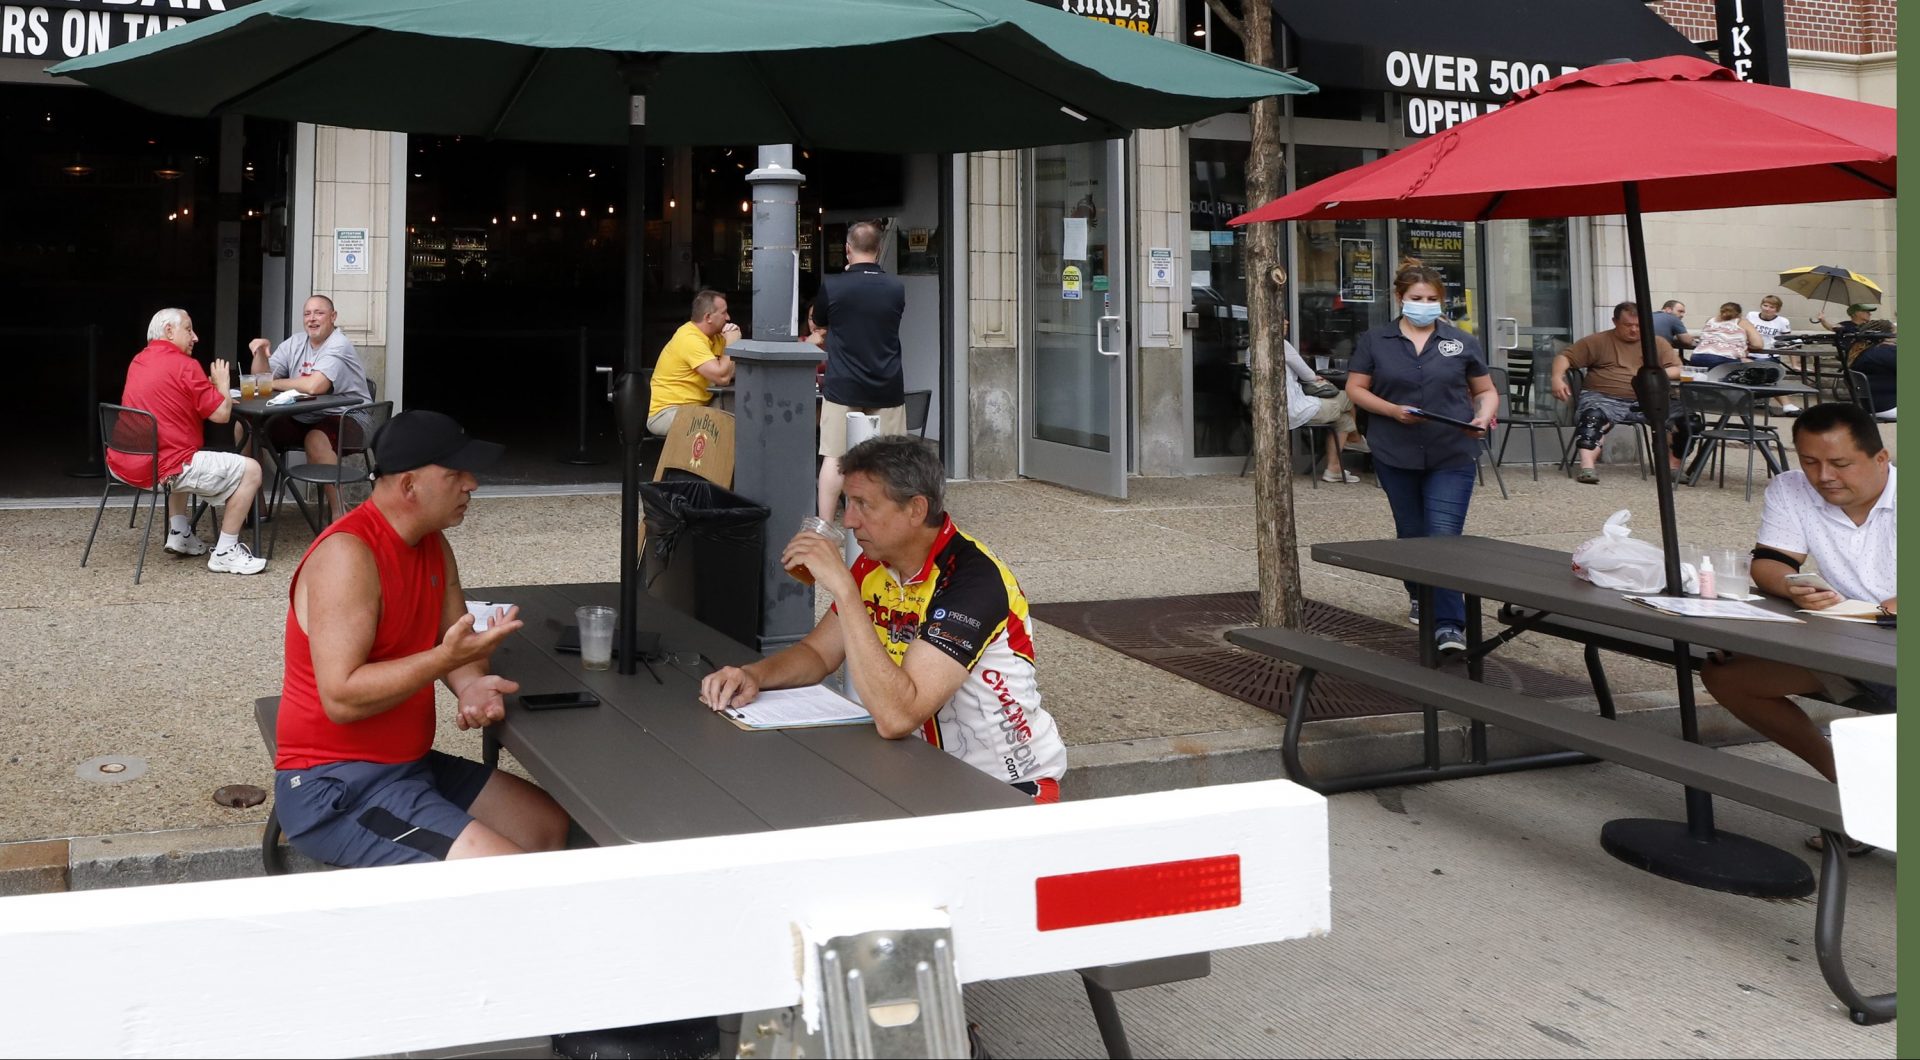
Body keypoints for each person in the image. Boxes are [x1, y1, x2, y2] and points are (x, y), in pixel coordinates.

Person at [273, 409, 570, 867]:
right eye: (455, 474)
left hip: (409, 766)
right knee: (504, 873)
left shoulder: (433, 543)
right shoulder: (347, 556)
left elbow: (456, 645)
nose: (472, 483)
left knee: (548, 829)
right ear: (409, 486)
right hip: (335, 786)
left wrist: (471, 683)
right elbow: (341, 697)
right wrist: (442, 660)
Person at [698, 435, 1068, 802]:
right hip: (925, 773)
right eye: (847, 503)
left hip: (1009, 786)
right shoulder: (875, 564)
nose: (850, 522)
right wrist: (752, 676)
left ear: (916, 509)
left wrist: (842, 587)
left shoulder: (974, 581)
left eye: (863, 504)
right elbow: (819, 654)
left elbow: (897, 717)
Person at [1699, 402, 1895, 854]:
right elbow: (1770, 561)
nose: (1823, 475)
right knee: (1727, 677)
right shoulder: (1790, 489)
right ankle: (1858, 792)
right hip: (1844, 639)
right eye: (1809, 461)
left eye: (1840, 463)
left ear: (1880, 458)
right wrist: (1791, 587)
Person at [1344, 258, 1498, 653]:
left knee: (1443, 538)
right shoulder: (1376, 341)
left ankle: (1449, 625)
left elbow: (1485, 390)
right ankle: (1419, 591)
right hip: (1396, 450)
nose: (1425, 304)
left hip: (1453, 451)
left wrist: (1482, 416)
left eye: (1432, 298)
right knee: (1412, 534)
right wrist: (1392, 411)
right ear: (1399, 298)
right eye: (1417, 297)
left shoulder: (1461, 341)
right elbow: (1356, 389)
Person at [111, 308, 268, 575]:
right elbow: (222, 415)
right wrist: (221, 384)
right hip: (164, 467)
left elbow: (170, 391)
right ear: (169, 331)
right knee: (251, 470)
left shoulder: (140, 360)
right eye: (188, 329)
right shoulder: (186, 365)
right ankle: (226, 551)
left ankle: (179, 532)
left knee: (186, 450)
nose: (195, 337)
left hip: (124, 461)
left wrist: (202, 387)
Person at [248, 295, 375, 521]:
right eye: (307, 314)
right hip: (306, 416)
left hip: (350, 415)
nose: (312, 319)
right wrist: (260, 352)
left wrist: (274, 384)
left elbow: (316, 386)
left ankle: (340, 513)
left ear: (333, 317)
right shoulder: (295, 343)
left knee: (316, 439)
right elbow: (260, 380)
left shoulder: (338, 343)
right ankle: (256, 504)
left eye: (319, 313)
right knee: (248, 430)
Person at [814, 220, 906, 520]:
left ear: (847, 249)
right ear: (879, 250)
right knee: (891, 460)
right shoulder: (895, 287)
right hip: (887, 384)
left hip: (844, 384)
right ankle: (890, 522)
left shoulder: (834, 285)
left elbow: (820, 321)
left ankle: (826, 527)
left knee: (834, 457)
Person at [1552, 302, 1687, 485]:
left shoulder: (1657, 343)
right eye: (1628, 325)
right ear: (1615, 321)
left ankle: (1672, 467)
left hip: (1647, 398)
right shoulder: (1598, 341)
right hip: (1603, 395)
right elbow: (1564, 357)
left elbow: (1678, 369)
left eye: (1638, 325)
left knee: (1686, 419)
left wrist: (1656, 375)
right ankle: (1587, 467)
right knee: (1592, 416)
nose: (1633, 330)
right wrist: (1557, 378)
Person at [1278, 314, 1364, 482]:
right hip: (1295, 410)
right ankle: (1355, 438)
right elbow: (1307, 374)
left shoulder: (1251, 349)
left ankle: (1334, 469)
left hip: (1274, 412)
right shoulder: (1281, 345)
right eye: (1281, 318)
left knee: (1344, 419)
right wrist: (1314, 377)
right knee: (1350, 395)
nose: (1287, 321)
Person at [646, 289, 740, 436]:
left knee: (739, 412)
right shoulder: (689, 338)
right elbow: (722, 377)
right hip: (667, 412)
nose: (728, 317)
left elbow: (733, 370)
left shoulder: (717, 338)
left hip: (700, 406)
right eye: (723, 313)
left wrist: (731, 343)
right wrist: (733, 343)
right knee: (713, 427)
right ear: (708, 317)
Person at [1686, 302, 1765, 370]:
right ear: (1740, 314)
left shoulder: (1711, 320)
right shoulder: (1742, 322)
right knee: (1752, 364)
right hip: (1721, 360)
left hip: (1697, 357)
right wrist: (1743, 346)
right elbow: (1758, 344)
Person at [1847, 318, 1897, 417]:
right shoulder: (1886, 352)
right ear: (1886, 336)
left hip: (1873, 405)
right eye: (1895, 334)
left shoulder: (1867, 351)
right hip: (1888, 405)